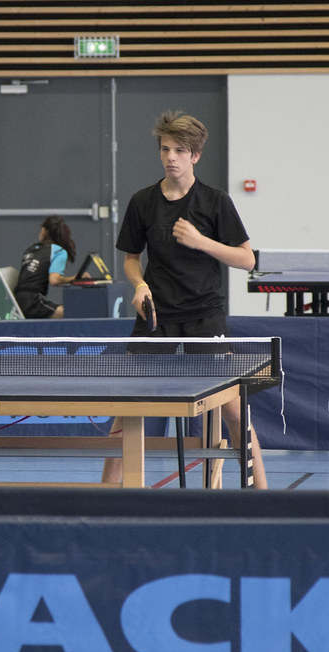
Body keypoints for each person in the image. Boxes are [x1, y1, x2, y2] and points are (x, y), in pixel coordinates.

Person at [102, 111, 267, 489]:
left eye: (179, 150)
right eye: (165, 149)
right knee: (125, 409)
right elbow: (130, 259)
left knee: (233, 410)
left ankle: (263, 494)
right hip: (155, 315)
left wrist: (202, 242)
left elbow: (247, 258)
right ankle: (107, 496)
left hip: (203, 317)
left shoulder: (214, 201)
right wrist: (139, 285)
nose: (170, 156)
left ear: (195, 156)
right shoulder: (142, 201)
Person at [12, 215, 88, 319]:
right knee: (72, 314)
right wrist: (75, 279)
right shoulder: (58, 251)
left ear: (44, 230)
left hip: (17, 300)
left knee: (62, 310)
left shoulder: (31, 249)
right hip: (32, 302)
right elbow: (54, 280)